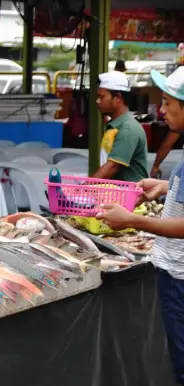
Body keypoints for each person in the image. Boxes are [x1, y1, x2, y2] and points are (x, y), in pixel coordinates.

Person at [97, 66, 184, 385]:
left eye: (167, 102)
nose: (161, 110)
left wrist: (132, 220)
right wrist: (165, 188)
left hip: (179, 276)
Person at [91, 71, 149, 182]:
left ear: (117, 98)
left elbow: (112, 167)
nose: (97, 101)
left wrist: (84, 187)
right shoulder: (116, 125)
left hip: (130, 197)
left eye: (101, 97)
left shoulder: (128, 128)